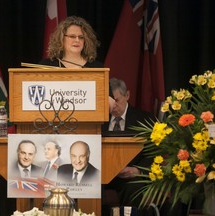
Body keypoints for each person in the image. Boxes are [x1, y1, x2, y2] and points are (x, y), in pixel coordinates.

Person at [102, 78, 156, 215]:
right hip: (102, 175)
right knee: (87, 185)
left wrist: (137, 170)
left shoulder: (145, 119)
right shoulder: (98, 120)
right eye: (110, 101)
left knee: (136, 188)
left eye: (117, 100)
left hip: (130, 175)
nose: (113, 105)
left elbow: (154, 152)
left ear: (127, 96)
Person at [39, 16, 103, 68]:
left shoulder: (96, 67)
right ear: (61, 38)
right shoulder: (46, 66)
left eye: (81, 37)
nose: (77, 40)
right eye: (72, 36)